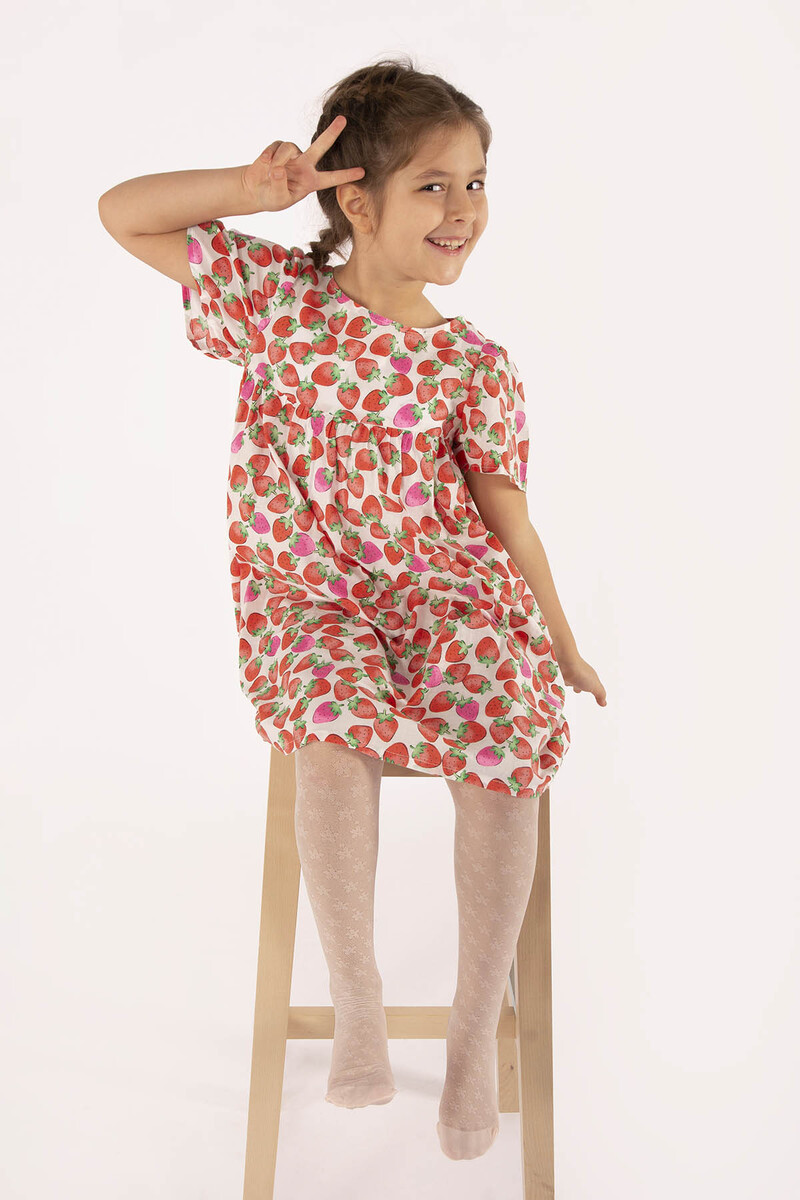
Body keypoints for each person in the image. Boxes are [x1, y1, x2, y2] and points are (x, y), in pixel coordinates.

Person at [98, 55, 607, 1162]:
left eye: (476, 183)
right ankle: (357, 1000)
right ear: (358, 201)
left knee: (509, 736)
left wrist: (558, 641)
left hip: (447, 597)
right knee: (329, 729)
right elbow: (122, 214)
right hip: (308, 595)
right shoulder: (278, 303)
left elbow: (510, 522)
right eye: (433, 185)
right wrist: (249, 191)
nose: (464, 208)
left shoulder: (473, 364)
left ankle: (470, 1033)